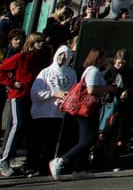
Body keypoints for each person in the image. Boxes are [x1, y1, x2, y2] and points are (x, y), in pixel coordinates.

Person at [52, 46, 116, 180]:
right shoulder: (93, 70)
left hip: (89, 109)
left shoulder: (94, 70)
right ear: (98, 58)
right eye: (105, 57)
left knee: (85, 139)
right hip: (85, 109)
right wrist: (108, 88)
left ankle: (80, 168)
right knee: (89, 139)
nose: (107, 60)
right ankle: (61, 160)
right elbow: (91, 89)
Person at [0, 32, 47, 177]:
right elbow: (1, 69)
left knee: (24, 127)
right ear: (31, 42)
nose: (41, 44)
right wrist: (12, 83)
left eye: (42, 42)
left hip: (31, 97)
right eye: (38, 41)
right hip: (18, 96)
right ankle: (4, 160)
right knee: (17, 124)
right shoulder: (20, 57)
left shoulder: (38, 59)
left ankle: (12, 156)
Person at [28, 44, 75, 178]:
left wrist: (65, 100)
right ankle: (32, 167)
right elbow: (35, 93)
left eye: (66, 55)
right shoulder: (45, 72)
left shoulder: (71, 73)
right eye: (60, 54)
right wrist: (54, 93)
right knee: (37, 142)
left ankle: (45, 167)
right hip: (42, 113)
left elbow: (72, 92)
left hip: (59, 114)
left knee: (52, 143)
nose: (63, 57)